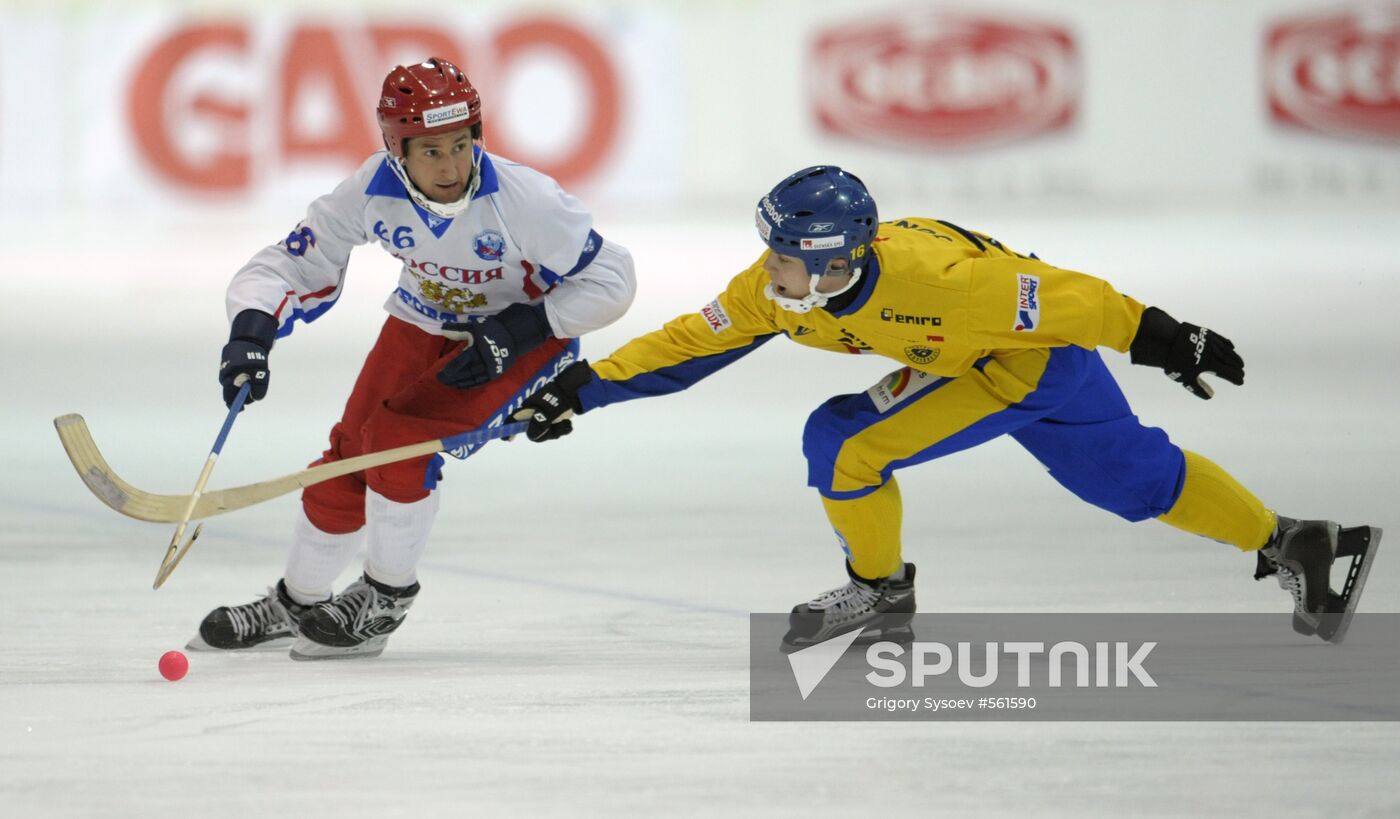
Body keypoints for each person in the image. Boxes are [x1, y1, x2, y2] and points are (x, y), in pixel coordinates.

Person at [513, 165, 1380, 650]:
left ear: (831, 260)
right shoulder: (775, 291)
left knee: (844, 443)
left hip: (1021, 365)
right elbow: (689, 341)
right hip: (1030, 367)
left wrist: (1172, 338)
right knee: (1135, 480)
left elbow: (1078, 300)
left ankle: (880, 590)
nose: (762, 269)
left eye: (781, 255)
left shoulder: (951, 288)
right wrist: (584, 388)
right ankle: (1293, 539)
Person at [189, 57, 636, 660]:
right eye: (430, 152)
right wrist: (250, 331)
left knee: (398, 447)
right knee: (347, 457)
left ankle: (384, 599)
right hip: (422, 320)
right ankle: (298, 601)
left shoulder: (524, 198)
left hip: (521, 339)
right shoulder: (373, 188)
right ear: (397, 151)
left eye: (461, 143)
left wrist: (525, 326)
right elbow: (294, 262)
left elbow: (612, 279)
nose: (451, 166)